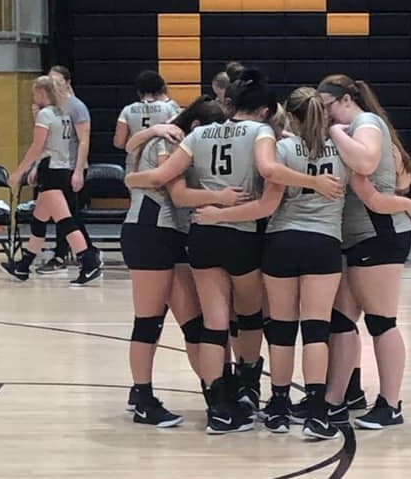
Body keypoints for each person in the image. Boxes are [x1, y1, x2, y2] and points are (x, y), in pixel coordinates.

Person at [124, 69, 343, 434]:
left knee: (214, 323)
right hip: (243, 233)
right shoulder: (261, 132)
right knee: (251, 317)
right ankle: (247, 389)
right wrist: (313, 181)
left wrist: (131, 179)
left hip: (204, 232)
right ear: (263, 109)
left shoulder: (199, 133)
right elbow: (269, 169)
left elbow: (166, 179)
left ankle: (218, 411)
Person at [194, 86, 411, 439]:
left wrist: (218, 215)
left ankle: (279, 407)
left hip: (281, 243)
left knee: (281, 331)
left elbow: (266, 205)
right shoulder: (343, 152)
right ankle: (317, 412)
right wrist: (405, 204)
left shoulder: (281, 149)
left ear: (291, 118)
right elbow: (373, 195)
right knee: (316, 331)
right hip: (326, 245)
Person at [122, 95, 236, 427]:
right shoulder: (169, 140)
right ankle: (142, 397)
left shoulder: (179, 139)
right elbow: (168, 186)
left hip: (174, 234)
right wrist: (219, 197)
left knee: (195, 324)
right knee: (149, 320)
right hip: (148, 231)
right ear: (197, 126)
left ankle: (217, 396)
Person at [317, 74, 411, 430]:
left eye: (327, 108)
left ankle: (391, 404)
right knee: (341, 322)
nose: (325, 117)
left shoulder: (364, 122)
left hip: (379, 233)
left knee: (381, 322)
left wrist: (335, 132)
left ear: (345, 99)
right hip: (353, 236)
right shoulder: (352, 126)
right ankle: (336, 399)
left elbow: (367, 161)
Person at [1, 76, 102, 286]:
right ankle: (23, 266)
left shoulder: (46, 114)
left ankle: (89, 261)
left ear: (42, 93)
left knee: (65, 221)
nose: (33, 96)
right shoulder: (63, 111)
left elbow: (37, 147)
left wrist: (19, 172)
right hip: (61, 168)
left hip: (51, 171)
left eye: (35, 92)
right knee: (39, 219)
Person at [35, 65, 97, 275]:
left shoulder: (76, 107)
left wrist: (78, 170)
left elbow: (83, 141)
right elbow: (43, 143)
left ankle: (81, 254)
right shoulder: (51, 109)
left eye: (57, 81)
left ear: (67, 83)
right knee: (60, 214)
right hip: (54, 167)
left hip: (71, 166)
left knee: (67, 215)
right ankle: (78, 253)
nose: (52, 84)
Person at [114, 70, 181, 172]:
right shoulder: (169, 108)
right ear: (160, 88)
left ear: (138, 90)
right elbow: (178, 138)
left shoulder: (127, 110)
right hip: (161, 164)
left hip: (135, 166)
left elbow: (119, 143)